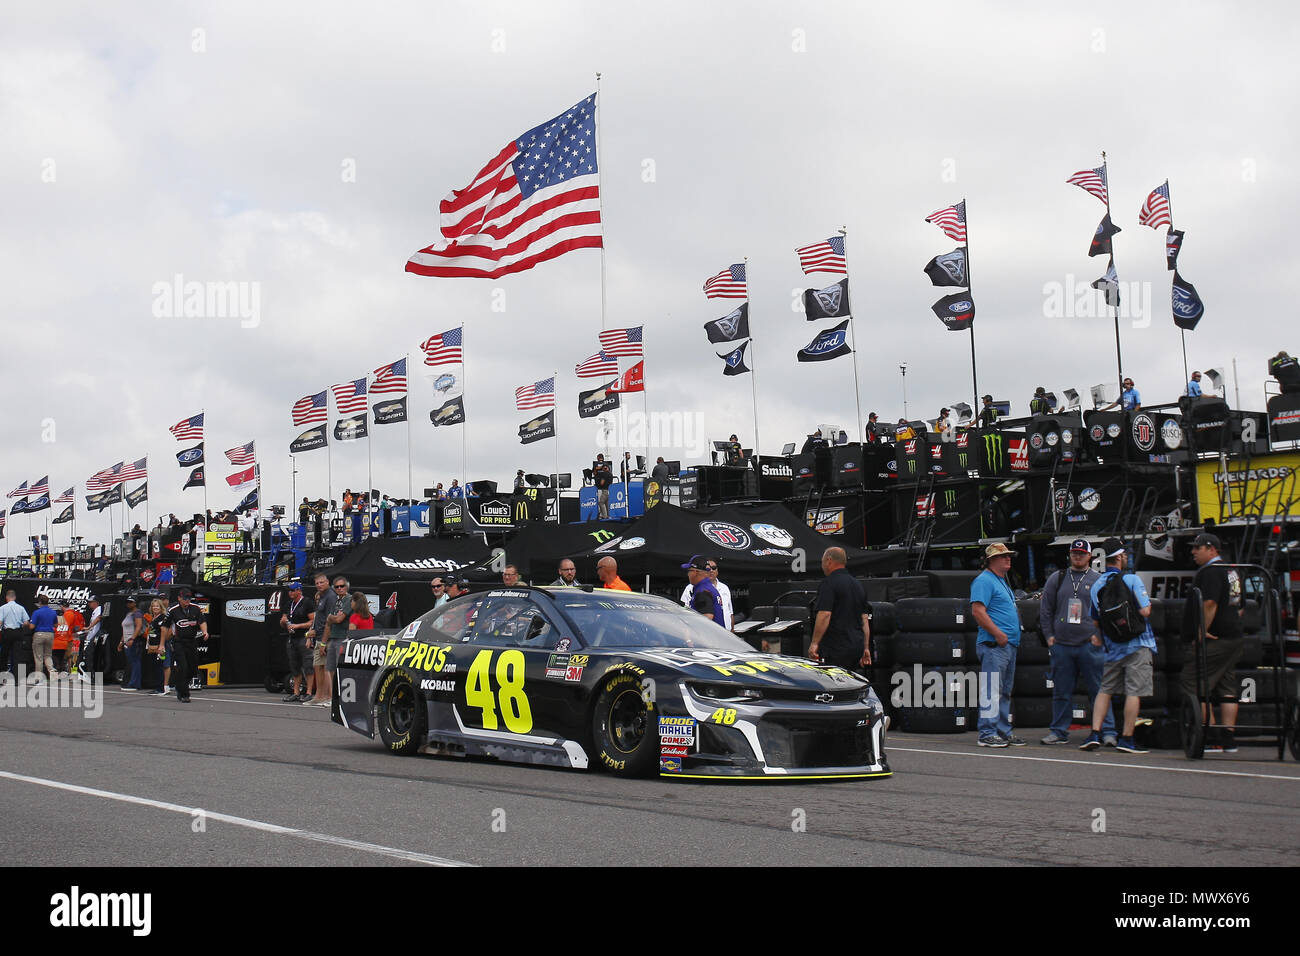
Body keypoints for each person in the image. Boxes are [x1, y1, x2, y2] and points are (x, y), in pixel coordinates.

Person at [1080, 538, 1156, 754]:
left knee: (1105, 690)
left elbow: (1095, 621)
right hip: (1137, 643)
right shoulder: (1132, 580)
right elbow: (1145, 611)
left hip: (1112, 646)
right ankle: (1127, 738)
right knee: (1134, 691)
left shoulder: (1097, 585)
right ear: (1121, 557)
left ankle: (1095, 733)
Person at [1038, 540, 1114, 745]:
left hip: (1089, 645)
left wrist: (1100, 635)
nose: (1077, 556)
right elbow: (1045, 610)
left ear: (1090, 556)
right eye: (1074, 553)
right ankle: (1059, 731)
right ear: (1070, 555)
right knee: (1061, 691)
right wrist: (1049, 637)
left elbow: (1106, 611)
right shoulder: (1058, 578)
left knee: (1098, 689)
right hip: (1062, 644)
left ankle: (1108, 731)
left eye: (1082, 553)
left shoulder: (1099, 580)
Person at [1183, 532, 1244, 754]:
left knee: (1195, 683)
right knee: (1226, 687)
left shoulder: (1210, 571)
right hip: (1234, 637)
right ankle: (1228, 738)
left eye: (1197, 548)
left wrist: (1202, 630)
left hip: (1215, 639)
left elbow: (1209, 603)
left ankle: (1210, 737)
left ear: (1211, 549)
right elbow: (1240, 605)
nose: (1193, 552)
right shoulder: (1232, 571)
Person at [970, 542, 1024, 747]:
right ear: (992, 560)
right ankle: (987, 733)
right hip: (995, 644)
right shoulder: (984, 581)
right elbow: (977, 611)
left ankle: (1001, 731)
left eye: (1009, 555)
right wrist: (998, 633)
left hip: (1005, 645)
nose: (1008, 559)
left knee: (1003, 691)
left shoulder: (999, 581)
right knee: (993, 690)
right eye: (1003, 556)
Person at [808, 547, 871, 670]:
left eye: (822, 562)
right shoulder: (858, 585)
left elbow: (825, 614)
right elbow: (864, 620)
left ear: (829, 560)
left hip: (836, 648)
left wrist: (814, 643)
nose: (822, 566)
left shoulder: (829, 583)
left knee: (834, 684)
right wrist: (866, 647)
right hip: (856, 647)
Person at [162, 590, 208, 703]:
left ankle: (179, 685)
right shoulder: (173, 611)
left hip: (192, 642)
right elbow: (164, 627)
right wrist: (161, 644)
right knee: (183, 667)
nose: (187, 600)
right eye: (185, 598)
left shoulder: (195, 609)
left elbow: (202, 621)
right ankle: (184, 694)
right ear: (179, 598)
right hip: (179, 642)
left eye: (188, 598)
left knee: (192, 669)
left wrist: (205, 632)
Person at [305, 573, 339, 706]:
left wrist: (324, 640)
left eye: (321, 582)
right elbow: (318, 618)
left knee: (328, 668)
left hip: (327, 637)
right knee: (319, 666)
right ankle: (320, 696)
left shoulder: (330, 596)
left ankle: (331, 697)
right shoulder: (322, 597)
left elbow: (329, 620)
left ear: (327, 582)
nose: (319, 585)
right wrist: (311, 634)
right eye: (317, 583)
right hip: (319, 637)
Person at [280, 581, 315, 702]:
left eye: (293, 590)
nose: (290, 592)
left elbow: (312, 622)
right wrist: (284, 621)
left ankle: (309, 692)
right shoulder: (288, 604)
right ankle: (296, 692)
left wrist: (298, 626)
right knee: (294, 666)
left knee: (308, 666)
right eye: (289, 590)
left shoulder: (307, 603)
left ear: (299, 591)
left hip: (304, 637)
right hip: (292, 638)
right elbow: (282, 622)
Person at [681, 555, 726, 627]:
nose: (688, 574)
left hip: (709, 637)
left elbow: (706, 619)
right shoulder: (709, 588)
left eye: (689, 570)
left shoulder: (703, 591)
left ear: (695, 572)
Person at [1, 588, 32, 677]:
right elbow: (26, 622)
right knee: (19, 656)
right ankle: (19, 677)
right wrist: (21, 625)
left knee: (4, 655)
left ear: (7, 597)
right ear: (14, 597)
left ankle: (2, 677)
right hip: (18, 633)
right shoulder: (21, 608)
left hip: (7, 632)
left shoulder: (2, 608)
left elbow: (0, 622)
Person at [144, 597, 172, 695]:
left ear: (161, 607)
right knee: (155, 666)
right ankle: (157, 687)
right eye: (153, 606)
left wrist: (162, 645)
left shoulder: (163, 617)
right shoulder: (153, 618)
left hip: (160, 646)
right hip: (152, 646)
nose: (155, 608)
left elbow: (166, 631)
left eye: (157, 606)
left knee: (160, 665)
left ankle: (161, 688)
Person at [29, 594, 59, 683]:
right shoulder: (53, 612)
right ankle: (53, 672)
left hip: (39, 634)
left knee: (39, 657)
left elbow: (31, 626)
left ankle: (39, 677)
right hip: (50, 634)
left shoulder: (37, 612)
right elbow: (56, 625)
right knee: (48, 655)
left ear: (40, 602)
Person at [117, 597, 145, 690]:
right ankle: (131, 682)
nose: (128, 604)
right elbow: (124, 630)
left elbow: (139, 626)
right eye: (127, 602)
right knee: (132, 662)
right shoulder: (129, 614)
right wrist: (121, 642)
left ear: (135, 603)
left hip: (134, 641)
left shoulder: (137, 613)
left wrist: (132, 638)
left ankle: (135, 684)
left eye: (130, 602)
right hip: (127, 641)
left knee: (135, 662)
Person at [53, 600, 84, 678]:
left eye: (60, 606)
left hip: (70, 638)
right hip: (75, 637)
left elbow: (63, 627)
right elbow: (78, 627)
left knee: (69, 657)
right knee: (73, 657)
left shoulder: (68, 614)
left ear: (62, 606)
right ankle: (73, 673)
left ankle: (71, 674)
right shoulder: (75, 613)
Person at [77, 596, 104, 683]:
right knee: (88, 657)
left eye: (90, 602)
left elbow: (99, 618)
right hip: (91, 637)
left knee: (91, 658)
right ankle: (87, 677)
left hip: (95, 638)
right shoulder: (94, 612)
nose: (89, 604)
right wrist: (87, 630)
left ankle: (93, 678)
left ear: (96, 602)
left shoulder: (99, 609)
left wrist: (89, 627)